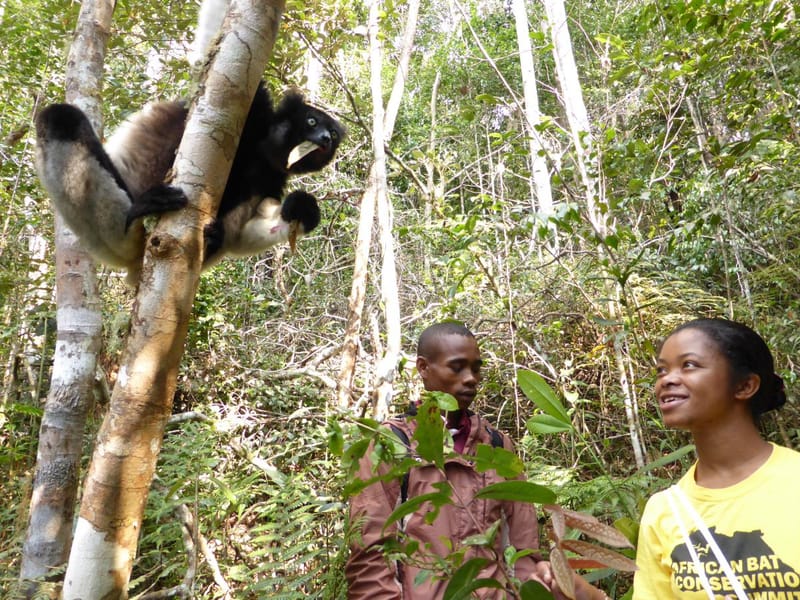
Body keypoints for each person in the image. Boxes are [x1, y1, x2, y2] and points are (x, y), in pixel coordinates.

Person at [345, 322, 548, 599]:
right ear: (423, 368)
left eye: (476, 368)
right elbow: (370, 558)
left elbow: (525, 551)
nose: (471, 378)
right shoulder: (391, 445)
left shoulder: (498, 446)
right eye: (457, 367)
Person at [633, 318, 800, 598]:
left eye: (689, 365)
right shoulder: (664, 511)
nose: (667, 380)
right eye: (662, 370)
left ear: (745, 385)